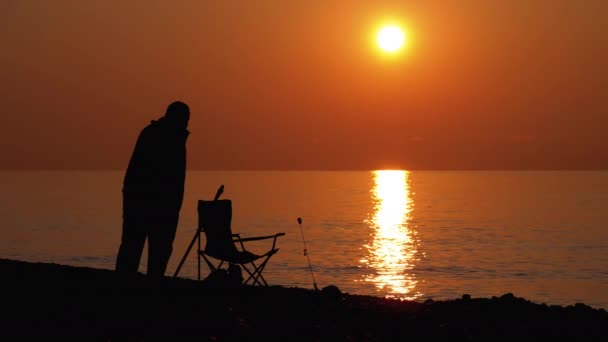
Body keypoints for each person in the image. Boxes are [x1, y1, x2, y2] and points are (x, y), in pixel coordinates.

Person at [115, 101, 190, 277]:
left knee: (153, 249)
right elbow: (161, 174)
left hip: (157, 204)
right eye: (185, 119)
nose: (187, 123)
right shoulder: (164, 137)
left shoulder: (166, 135)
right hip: (151, 204)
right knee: (138, 247)